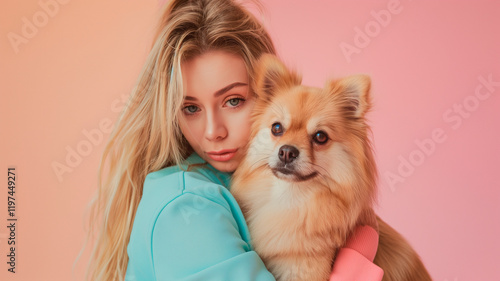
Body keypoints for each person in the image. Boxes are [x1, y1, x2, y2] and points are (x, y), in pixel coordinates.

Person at [85, 0, 384, 280]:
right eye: (191, 108)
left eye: (233, 101)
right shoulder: (187, 208)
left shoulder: (238, 183)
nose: (213, 131)